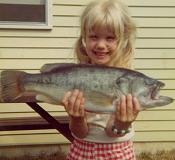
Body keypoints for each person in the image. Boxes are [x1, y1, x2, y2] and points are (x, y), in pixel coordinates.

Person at [62, 0, 140, 159]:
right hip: (81, 150)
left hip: (118, 151)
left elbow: (112, 133)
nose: (100, 45)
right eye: (94, 37)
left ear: (122, 39)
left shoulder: (128, 80)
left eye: (110, 38)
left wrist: (122, 123)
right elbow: (80, 133)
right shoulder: (77, 77)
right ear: (84, 37)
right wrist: (76, 118)